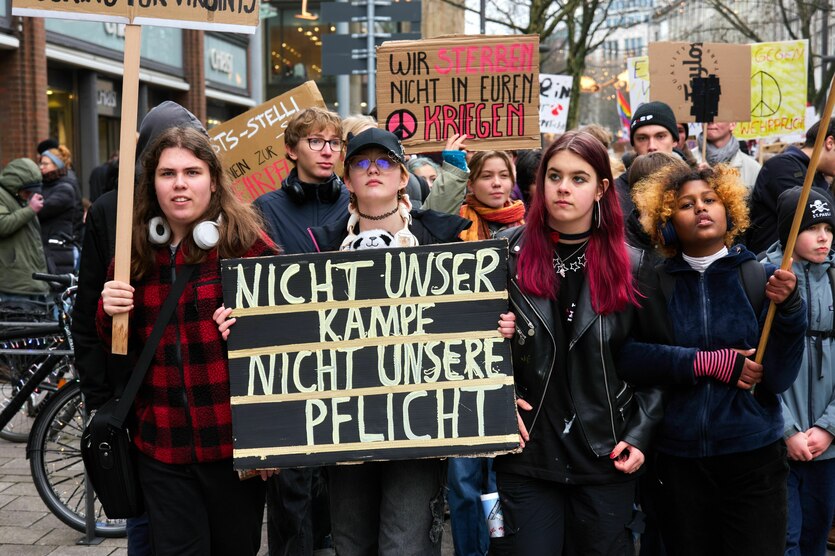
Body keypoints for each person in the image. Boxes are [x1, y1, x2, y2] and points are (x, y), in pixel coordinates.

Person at [98, 126, 276, 556]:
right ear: (152, 183)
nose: (179, 184)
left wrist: (251, 326)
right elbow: (116, 346)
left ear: (213, 181)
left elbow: (284, 346)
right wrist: (108, 312)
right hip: (160, 445)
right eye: (167, 173)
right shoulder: (133, 253)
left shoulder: (247, 247)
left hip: (233, 447)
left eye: (192, 172)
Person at [493, 131, 670, 554]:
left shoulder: (635, 264)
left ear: (601, 189)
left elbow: (659, 364)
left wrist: (641, 434)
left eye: (578, 178)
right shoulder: (505, 255)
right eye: (554, 176)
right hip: (529, 453)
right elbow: (470, 355)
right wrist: (497, 400)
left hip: (605, 453)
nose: (563, 188)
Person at [308, 128, 473, 555]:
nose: (373, 169)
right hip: (345, 425)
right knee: (350, 542)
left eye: (385, 161)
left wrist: (499, 324)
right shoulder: (320, 247)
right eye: (361, 163)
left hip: (417, 425)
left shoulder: (439, 237)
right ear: (347, 180)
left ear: (403, 177)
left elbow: (467, 317)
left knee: (406, 544)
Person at [627, 163, 806, 556]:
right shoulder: (653, 283)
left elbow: (776, 378)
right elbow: (631, 356)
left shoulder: (762, 278)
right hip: (678, 461)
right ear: (667, 221)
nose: (701, 209)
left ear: (730, 210)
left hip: (754, 459)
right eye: (687, 204)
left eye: (710, 200)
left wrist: (791, 310)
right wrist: (703, 362)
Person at [74, 100, 207, 555]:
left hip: (192, 396)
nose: (180, 183)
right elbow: (89, 306)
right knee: (144, 519)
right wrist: (98, 395)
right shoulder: (112, 211)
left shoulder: (216, 217)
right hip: (131, 387)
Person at [252, 106, 346, 556]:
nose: (327, 151)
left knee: (340, 496)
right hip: (288, 371)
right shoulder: (265, 210)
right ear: (292, 150)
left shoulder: (355, 203)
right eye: (316, 141)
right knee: (292, 505)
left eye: (334, 143)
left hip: (347, 366)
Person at [448, 149, 524, 556]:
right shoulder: (456, 228)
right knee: (462, 480)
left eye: (503, 175)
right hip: (462, 371)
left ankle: (501, 548)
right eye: (486, 176)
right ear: (471, 183)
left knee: (501, 477)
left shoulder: (532, 230)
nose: (496, 183)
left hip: (513, 372)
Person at [764, 187, 835, 556]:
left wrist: (828, 427)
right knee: (784, 539)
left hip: (828, 445)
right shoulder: (765, 278)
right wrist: (788, 430)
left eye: (828, 226)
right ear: (789, 232)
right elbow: (758, 366)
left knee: (817, 534)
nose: (823, 236)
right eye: (811, 227)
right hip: (779, 442)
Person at [746, 117, 835, 254]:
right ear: (830, 143)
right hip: (774, 268)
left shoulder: (819, 176)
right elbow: (811, 214)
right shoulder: (782, 167)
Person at [0, 158, 49, 308]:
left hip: (32, 282)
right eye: (27, 191)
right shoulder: (3, 195)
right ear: (15, 186)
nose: (29, 195)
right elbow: (2, 225)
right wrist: (30, 210)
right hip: (15, 286)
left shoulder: (18, 198)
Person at [38, 145, 83, 273]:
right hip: (50, 247)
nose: (41, 167)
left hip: (57, 247)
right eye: (40, 163)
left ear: (56, 165)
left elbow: (43, 209)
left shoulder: (65, 187)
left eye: (45, 164)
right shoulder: (44, 184)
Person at [693, 122, 761, 189]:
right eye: (705, 116)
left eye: (717, 116)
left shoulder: (753, 168)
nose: (710, 121)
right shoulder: (687, 161)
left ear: (732, 124)